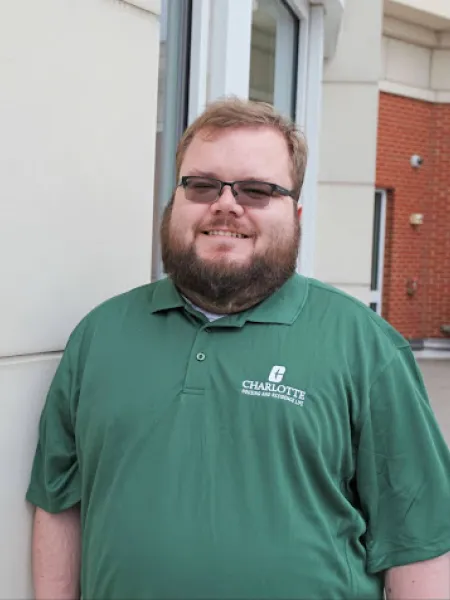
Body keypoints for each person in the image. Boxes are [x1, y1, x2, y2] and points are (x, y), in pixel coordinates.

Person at [27, 98, 450, 600]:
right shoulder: (100, 336)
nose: (225, 204)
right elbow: (58, 504)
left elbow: (417, 543)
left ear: (295, 214)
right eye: (202, 185)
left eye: (256, 190)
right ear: (174, 203)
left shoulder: (364, 346)